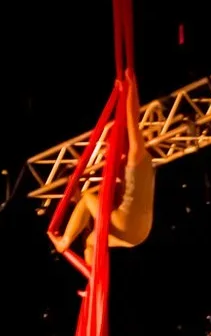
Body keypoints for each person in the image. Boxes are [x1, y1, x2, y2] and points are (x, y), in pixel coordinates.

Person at [52, 94, 155, 265]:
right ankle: (94, 282)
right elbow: (94, 212)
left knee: (87, 198)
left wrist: (128, 86)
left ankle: (64, 243)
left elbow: (132, 120)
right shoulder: (130, 168)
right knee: (91, 242)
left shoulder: (134, 158)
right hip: (136, 230)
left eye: (109, 147)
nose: (106, 153)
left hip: (133, 229)